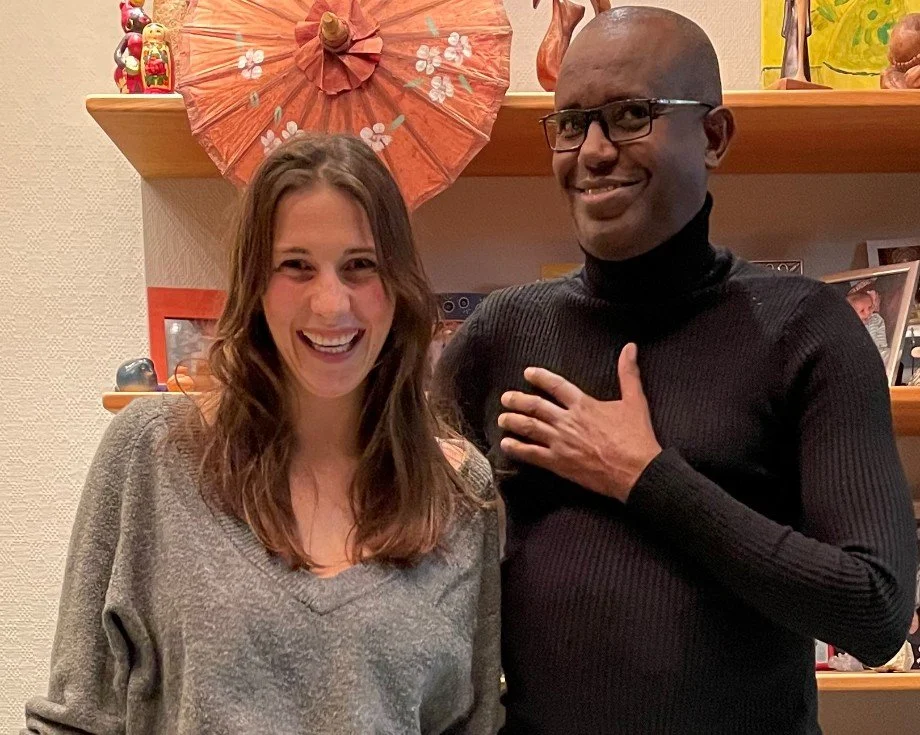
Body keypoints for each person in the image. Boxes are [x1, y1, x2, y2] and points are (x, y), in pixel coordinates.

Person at [433, 7, 917, 734]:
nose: (593, 150)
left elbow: (876, 608)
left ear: (714, 135)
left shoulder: (806, 330)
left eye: (632, 114)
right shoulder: (499, 333)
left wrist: (646, 476)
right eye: (570, 122)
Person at [24, 133, 501, 734]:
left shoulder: (461, 495)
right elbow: (73, 721)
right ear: (255, 284)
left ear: (399, 284)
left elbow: (473, 724)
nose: (331, 305)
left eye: (361, 266)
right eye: (295, 266)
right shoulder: (150, 454)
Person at [847, 288, 890, 361]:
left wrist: (883, 348)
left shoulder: (876, 319)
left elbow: (881, 335)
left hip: (878, 351)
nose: (867, 313)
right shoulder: (849, 326)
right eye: (862, 311)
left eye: (870, 308)